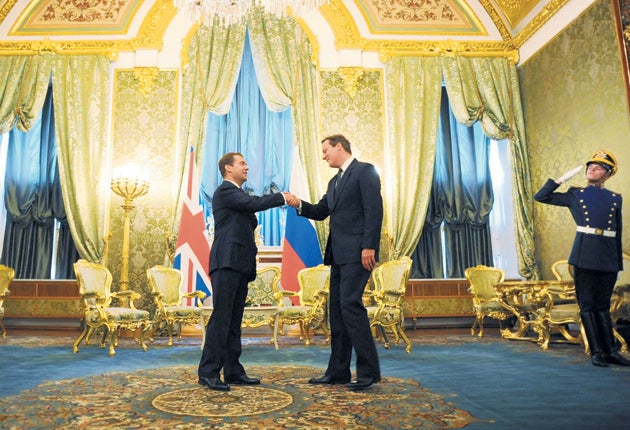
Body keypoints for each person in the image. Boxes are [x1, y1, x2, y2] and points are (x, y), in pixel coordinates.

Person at [288, 134, 383, 390]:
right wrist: (298, 204)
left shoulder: (365, 171)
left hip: (359, 253)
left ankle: (368, 372)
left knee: (351, 306)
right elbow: (320, 212)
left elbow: (374, 209)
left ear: (339, 147)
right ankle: (338, 371)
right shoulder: (334, 182)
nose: (323, 155)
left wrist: (369, 245)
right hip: (338, 256)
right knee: (338, 313)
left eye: (325, 150)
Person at [198, 152, 295, 391]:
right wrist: (281, 196)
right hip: (226, 262)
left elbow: (248, 211)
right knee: (222, 318)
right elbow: (254, 204)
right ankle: (208, 372)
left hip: (239, 263)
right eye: (242, 163)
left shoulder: (238, 194)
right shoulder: (225, 190)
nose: (247, 167)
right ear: (228, 169)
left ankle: (233, 371)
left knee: (233, 320)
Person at [534, 149, 630, 367]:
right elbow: (541, 196)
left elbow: (617, 231)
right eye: (589, 166)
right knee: (587, 306)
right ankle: (596, 351)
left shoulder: (615, 198)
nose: (591, 169)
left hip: (606, 256)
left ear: (607, 173)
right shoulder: (575, 194)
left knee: (602, 306)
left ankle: (611, 351)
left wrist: (617, 262)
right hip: (584, 254)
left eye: (597, 167)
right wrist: (561, 179)